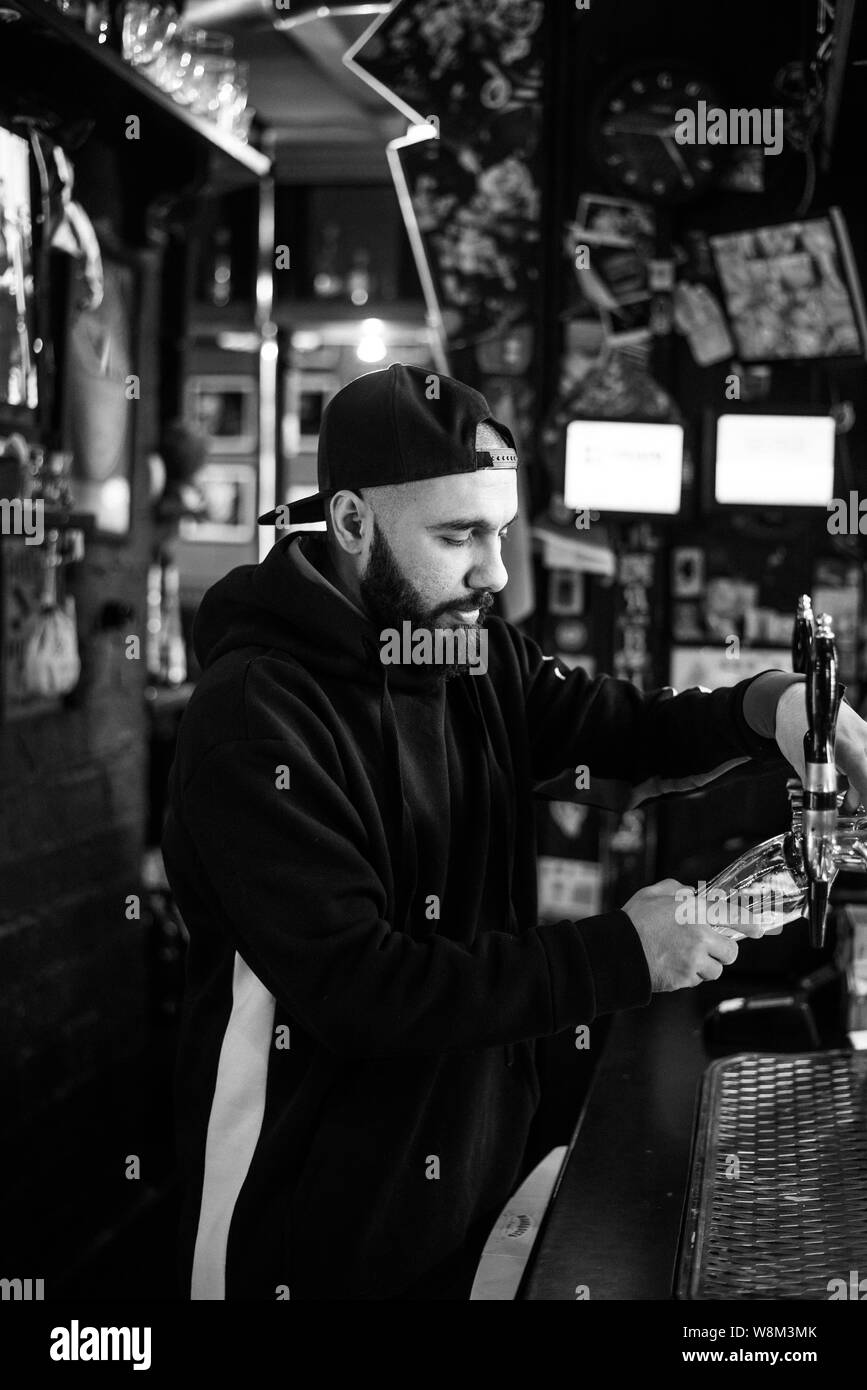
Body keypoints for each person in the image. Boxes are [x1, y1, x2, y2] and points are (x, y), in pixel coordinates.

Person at [162, 363, 867, 1301]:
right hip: (305, 1223)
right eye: (458, 536)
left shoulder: (466, 648)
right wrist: (620, 954)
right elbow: (363, 991)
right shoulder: (254, 719)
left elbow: (620, 735)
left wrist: (770, 708)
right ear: (349, 522)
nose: (493, 572)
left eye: (496, 532)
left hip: (470, 1176)